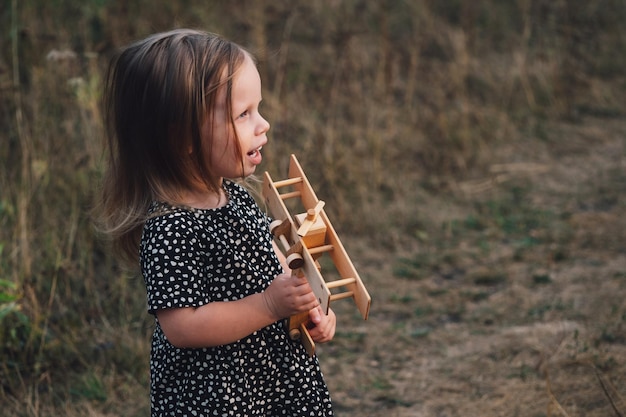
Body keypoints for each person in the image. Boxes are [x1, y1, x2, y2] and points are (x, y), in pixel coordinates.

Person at [97, 28, 336, 416]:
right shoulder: (170, 228)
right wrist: (269, 305)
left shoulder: (237, 197)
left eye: (258, 109)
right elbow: (183, 326)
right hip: (218, 398)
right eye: (244, 114)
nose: (264, 124)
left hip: (277, 384)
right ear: (183, 138)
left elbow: (281, 266)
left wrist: (312, 310)